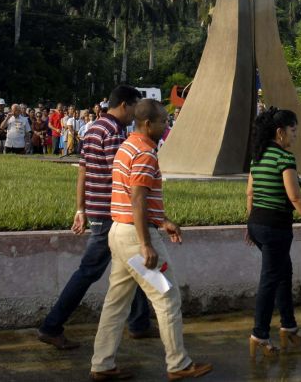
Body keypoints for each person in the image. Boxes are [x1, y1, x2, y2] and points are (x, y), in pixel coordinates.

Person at [90, 99, 212, 381]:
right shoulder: (145, 152)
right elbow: (138, 198)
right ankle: (179, 364)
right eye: (163, 121)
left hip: (118, 232)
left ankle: (102, 364)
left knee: (116, 303)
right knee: (167, 297)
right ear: (148, 124)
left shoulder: (126, 146)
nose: (166, 125)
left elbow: (136, 197)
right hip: (135, 236)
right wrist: (146, 243)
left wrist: (163, 221)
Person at [38, 85, 154, 349]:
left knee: (132, 265)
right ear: (125, 105)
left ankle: (139, 323)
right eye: (135, 107)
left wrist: (81, 209)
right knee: (90, 271)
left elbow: (83, 171)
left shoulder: (93, 129)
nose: (137, 114)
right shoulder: (114, 133)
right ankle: (51, 325)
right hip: (112, 213)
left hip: (97, 210)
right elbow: (124, 177)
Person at [246, 107, 301, 356]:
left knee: (283, 273)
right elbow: (294, 196)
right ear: (280, 132)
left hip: (258, 224)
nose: (296, 135)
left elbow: (250, 192)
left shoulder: (258, 157)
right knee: (270, 279)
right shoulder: (284, 158)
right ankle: (259, 334)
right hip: (275, 227)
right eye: (293, 130)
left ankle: (288, 326)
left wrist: (251, 223)